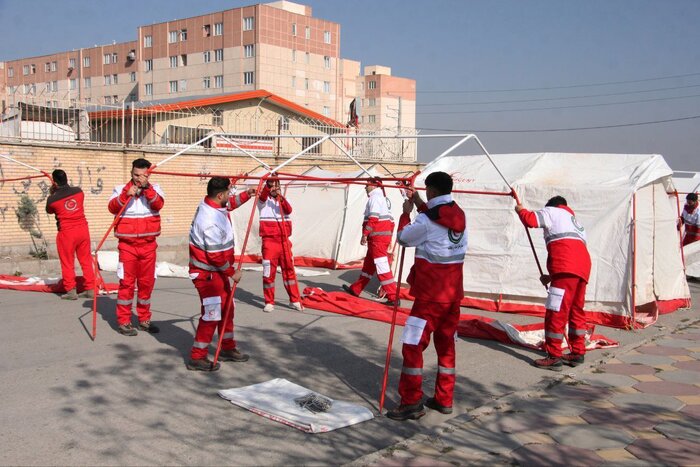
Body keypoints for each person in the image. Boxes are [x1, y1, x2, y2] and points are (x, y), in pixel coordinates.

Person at [386, 172, 467, 421]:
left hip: (430, 297)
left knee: (412, 346)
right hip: (452, 296)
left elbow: (403, 238)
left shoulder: (425, 221)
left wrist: (405, 212)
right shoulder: (459, 213)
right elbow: (436, 215)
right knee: (446, 347)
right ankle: (444, 399)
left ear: (431, 190)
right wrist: (419, 201)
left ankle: (411, 402)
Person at [515, 196, 592, 371]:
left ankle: (554, 356)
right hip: (581, 268)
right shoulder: (575, 222)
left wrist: (520, 210)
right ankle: (577, 352)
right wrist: (551, 276)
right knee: (576, 310)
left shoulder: (552, 211)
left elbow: (531, 220)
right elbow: (569, 248)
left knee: (555, 311)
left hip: (565, 267)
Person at [187, 177, 255, 371]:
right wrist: (232, 273)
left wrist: (246, 196)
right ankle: (197, 357)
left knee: (227, 310)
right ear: (220, 194)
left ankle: (227, 347)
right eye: (228, 193)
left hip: (217, 272)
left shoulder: (213, 204)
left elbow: (229, 205)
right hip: (206, 274)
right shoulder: (208, 220)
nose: (230, 196)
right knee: (211, 314)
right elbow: (215, 255)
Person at [107, 158, 165, 336]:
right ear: (131, 174)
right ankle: (124, 321)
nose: (138, 178)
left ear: (148, 174)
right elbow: (112, 207)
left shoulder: (155, 190)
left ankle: (144, 319)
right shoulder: (119, 190)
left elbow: (159, 204)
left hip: (148, 246)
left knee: (147, 284)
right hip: (127, 247)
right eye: (135, 175)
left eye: (142, 175)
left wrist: (147, 189)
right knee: (126, 283)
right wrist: (125, 195)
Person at [342, 177, 397, 304]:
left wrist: (364, 234)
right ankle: (356, 289)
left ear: (373, 185)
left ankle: (393, 296)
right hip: (378, 238)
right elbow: (391, 222)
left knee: (382, 267)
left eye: (366, 185)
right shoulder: (382, 199)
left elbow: (373, 218)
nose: (365, 187)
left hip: (377, 239)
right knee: (368, 266)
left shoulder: (375, 198)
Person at [45, 169, 95, 300]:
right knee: (86, 260)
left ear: (54, 182)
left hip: (66, 232)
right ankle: (90, 288)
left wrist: (53, 192)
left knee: (67, 262)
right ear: (67, 179)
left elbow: (49, 211)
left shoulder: (52, 199)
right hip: (83, 229)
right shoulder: (79, 191)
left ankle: (71, 291)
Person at [257, 176, 303, 312]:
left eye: (277, 186)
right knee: (268, 273)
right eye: (273, 186)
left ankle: (294, 299)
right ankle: (269, 301)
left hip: (284, 241)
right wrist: (268, 185)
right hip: (270, 242)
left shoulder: (283, 201)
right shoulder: (263, 202)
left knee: (289, 271)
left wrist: (280, 198)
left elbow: (289, 210)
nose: (275, 189)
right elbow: (262, 197)